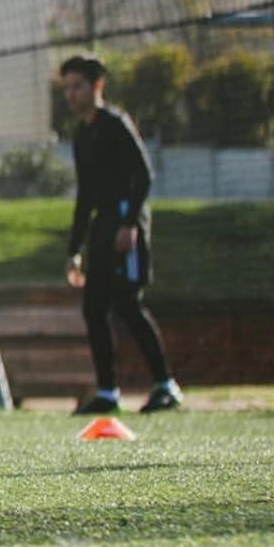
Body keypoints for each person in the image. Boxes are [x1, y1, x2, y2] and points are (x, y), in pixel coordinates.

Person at [59, 54, 184, 415]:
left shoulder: (116, 124)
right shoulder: (83, 135)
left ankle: (166, 386)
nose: (71, 94)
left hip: (125, 225)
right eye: (67, 87)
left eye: (77, 86)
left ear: (97, 86)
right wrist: (74, 249)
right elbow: (85, 195)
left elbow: (143, 176)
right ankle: (107, 393)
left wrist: (129, 224)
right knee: (94, 308)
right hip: (100, 229)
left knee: (128, 304)